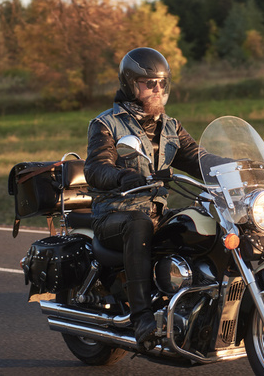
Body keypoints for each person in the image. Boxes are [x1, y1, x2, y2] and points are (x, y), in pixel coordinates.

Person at [84, 47, 205, 349]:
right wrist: (123, 175)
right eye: (148, 83)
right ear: (129, 83)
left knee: (196, 222)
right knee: (138, 224)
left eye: (161, 83)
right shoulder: (106, 123)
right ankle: (142, 318)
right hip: (114, 214)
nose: (156, 89)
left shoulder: (171, 126)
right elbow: (96, 167)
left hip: (156, 212)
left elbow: (199, 159)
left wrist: (237, 166)